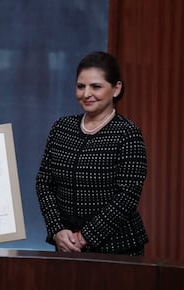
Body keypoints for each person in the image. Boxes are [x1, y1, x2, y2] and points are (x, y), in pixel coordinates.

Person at [36, 51, 149, 256]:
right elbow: (44, 183)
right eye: (80, 86)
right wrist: (57, 230)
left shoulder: (128, 133)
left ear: (116, 89)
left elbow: (127, 196)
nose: (86, 93)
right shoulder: (62, 128)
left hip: (118, 250)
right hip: (65, 247)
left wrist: (84, 237)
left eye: (96, 86)